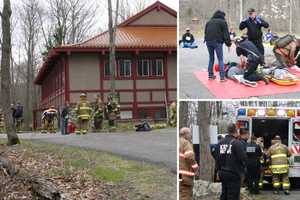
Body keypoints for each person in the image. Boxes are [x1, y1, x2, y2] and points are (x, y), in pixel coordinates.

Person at [217, 123, 247, 200]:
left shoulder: (220, 143)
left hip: (222, 172)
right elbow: (243, 158)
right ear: (236, 131)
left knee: (224, 193)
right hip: (234, 173)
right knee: (233, 195)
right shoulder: (237, 143)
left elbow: (215, 154)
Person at [204, 10, 232, 81]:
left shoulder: (209, 22)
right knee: (220, 59)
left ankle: (210, 76)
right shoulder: (222, 22)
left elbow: (205, 32)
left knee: (211, 59)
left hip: (208, 41)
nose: (225, 17)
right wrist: (228, 44)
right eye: (224, 16)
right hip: (217, 42)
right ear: (222, 15)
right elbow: (226, 35)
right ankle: (222, 78)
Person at [179, 127, 199, 200]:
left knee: (180, 193)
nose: (191, 135)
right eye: (190, 133)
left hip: (180, 175)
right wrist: (196, 168)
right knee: (185, 195)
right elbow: (189, 157)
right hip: (185, 175)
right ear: (185, 134)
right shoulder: (186, 143)